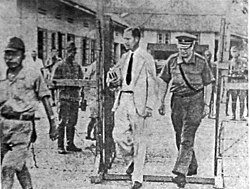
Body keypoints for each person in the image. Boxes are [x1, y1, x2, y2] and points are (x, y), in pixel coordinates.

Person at [0, 37, 58, 189]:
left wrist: (53, 124)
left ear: (22, 55)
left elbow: (45, 98)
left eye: (14, 54)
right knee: (19, 166)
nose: (10, 58)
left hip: (23, 127)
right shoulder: (2, 76)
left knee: (8, 167)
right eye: (7, 54)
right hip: (3, 126)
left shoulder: (33, 75)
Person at [158, 33, 214, 188]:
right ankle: (191, 165)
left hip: (195, 100)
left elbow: (209, 83)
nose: (183, 52)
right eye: (180, 48)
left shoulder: (201, 62)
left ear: (192, 46)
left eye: (186, 49)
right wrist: (160, 101)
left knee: (187, 136)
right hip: (177, 100)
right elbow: (164, 81)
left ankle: (180, 173)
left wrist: (207, 104)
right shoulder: (172, 61)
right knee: (179, 135)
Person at [107, 27, 158, 189]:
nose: (125, 42)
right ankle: (130, 161)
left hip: (140, 102)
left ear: (136, 39)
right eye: (124, 38)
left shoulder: (146, 58)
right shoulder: (124, 57)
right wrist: (112, 81)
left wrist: (150, 105)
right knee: (118, 134)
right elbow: (114, 76)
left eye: (128, 39)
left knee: (140, 139)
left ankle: (137, 178)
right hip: (123, 99)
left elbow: (153, 83)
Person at [52, 41, 84, 154]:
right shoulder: (59, 66)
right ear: (65, 52)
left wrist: (82, 97)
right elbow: (53, 82)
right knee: (62, 122)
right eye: (70, 51)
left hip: (74, 98)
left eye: (74, 52)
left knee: (72, 122)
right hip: (64, 98)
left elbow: (81, 81)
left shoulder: (77, 66)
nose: (72, 54)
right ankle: (60, 145)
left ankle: (70, 144)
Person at [227, 46, 248, 121]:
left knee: (242, 100)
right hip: (233, 82)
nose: (233, 53)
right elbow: (228, 73)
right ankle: (233, 115)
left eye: (235, 51)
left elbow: (246, 71)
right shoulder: (230, 62)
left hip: (242, 82)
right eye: (232, 51)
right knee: (233, 100)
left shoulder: (244, 61)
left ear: (238, 52)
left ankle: (241, 115)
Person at [85, 60, 97, 140]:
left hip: (101, 93)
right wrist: (85, 95)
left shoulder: (109, 64)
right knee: (94, 117)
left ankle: (96, 135)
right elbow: (86, 78)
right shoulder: (93, 65)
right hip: (93, 94)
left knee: (99, 117)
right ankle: (89, 134)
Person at [204, 49, 217, 118]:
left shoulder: (213, 65)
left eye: (209, 55)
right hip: (203, 84)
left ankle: (211, 113)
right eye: (206, 55)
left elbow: (215, 74)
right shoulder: (202, 64)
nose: (207, 57)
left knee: (212, 99)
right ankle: (203, 113)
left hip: (211, 83)